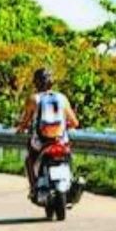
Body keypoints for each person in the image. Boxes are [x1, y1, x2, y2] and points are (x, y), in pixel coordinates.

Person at [16, 67, 79, 199]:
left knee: (29, 159)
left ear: (36, 83)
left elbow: (25, 121)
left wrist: (21, 128)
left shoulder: (34, 99)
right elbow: (75, 122)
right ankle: (71, 180)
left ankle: (34, 188)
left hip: (41, 142)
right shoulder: (62, 98)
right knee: (68, 156)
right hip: (60, 140)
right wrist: (65, 125)